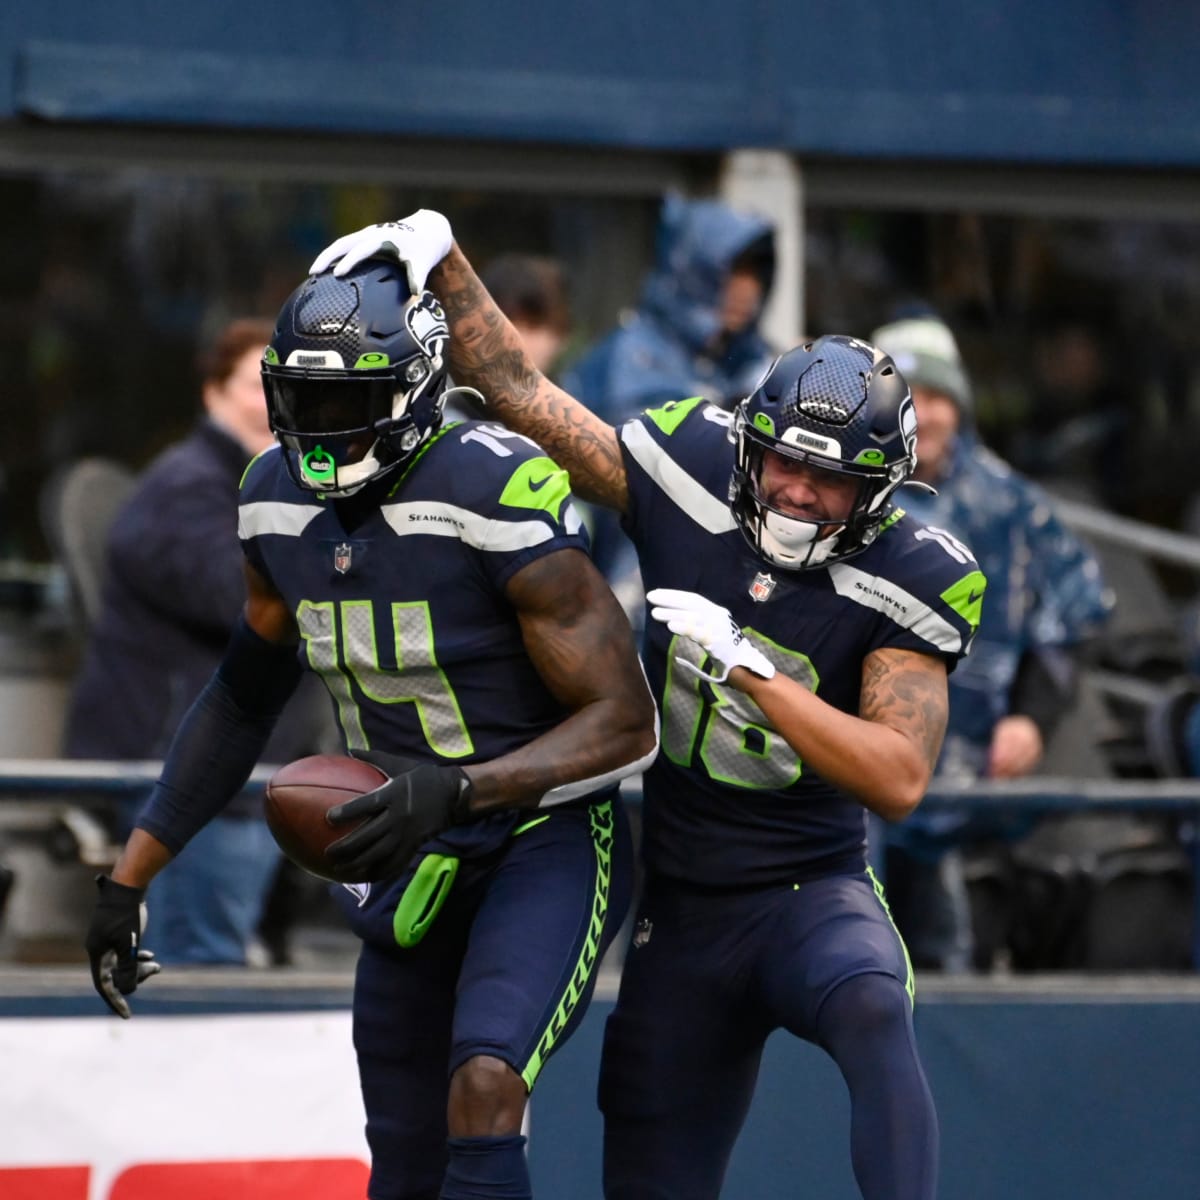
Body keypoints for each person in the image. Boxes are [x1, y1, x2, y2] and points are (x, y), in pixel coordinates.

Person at [309, 212, 987, 1200]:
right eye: (783, 460)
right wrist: (447, 257)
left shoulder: (913, 574)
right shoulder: (692, 469)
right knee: (652, 1158)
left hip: (810, 887)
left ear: (880, 488)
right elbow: (518, 393)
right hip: (681, 902)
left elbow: (898, 777)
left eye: (829, 478)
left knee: (875, 1009)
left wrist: (754, 671)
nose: (796, 492)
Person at [83, 260, 658, 1200]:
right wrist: (129, 876)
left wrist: (464, 788)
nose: (317, 424)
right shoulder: (271, 495)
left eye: (344, 398)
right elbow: (239, 699)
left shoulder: (490, 487)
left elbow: (628, 721)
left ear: (416, 384)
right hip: (404, 845)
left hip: (540, 838)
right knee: (400, 1154)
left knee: (485, 1085)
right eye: (299, 395)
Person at [64, 317, 335, 967]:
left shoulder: (265, 487)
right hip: (193, 792)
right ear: (213, 393)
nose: (272, 403)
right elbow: (254, 604)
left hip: (252, 787)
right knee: (196, 987)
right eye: (253, 385)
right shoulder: (186, 492)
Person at [870, 314, 1112, 971]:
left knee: (942, 964)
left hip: (958, 783)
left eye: (942, 396)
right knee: (852, 946)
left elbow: (1077, 606)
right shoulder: (832, 490)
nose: (930, 413)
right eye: (911, 397)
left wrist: (1032, 717)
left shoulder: (1007, 502)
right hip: (844, 772)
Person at [563, 194, 779, 597]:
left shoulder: (757, 362)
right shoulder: (629, 356)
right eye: (730, 271)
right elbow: (643, 466)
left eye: (755, 273)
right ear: (692, 270)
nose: (745, 289)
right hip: (626, 582)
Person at [479, 253, 572, 376]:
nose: (516, 339)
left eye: (532, 326)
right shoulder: (448, 391)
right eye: (503, 324)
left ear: (561, 336)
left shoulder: (580, 391)